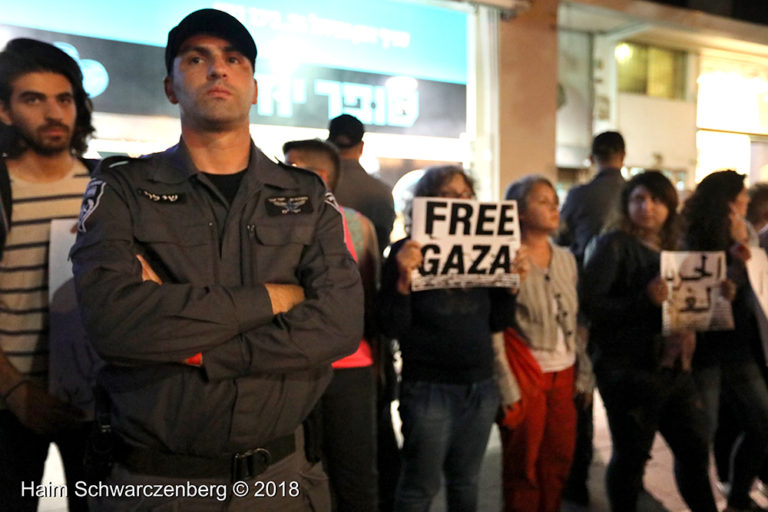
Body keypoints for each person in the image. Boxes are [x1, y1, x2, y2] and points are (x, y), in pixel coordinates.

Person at [70, 9, 362, 511]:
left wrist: (206, 351)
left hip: (282, 479)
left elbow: (339, 324)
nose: (218, 69)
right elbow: (113, 323)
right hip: (156, 486)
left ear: (254, 87)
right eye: (197, 58)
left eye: (234, 59)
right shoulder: (123, 188)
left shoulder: (306, 194)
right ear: (170, 86)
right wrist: (275, 297)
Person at [378, 165, 522, 512]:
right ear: (428, 204)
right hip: (428, 387)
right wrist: (401, 282)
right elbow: (391, 327)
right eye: (447, 196)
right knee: (419, 487)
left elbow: (499, 321)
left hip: (480, 385)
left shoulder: (487, 252)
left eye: (464, 196)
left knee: (466, 481)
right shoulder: (404, 252)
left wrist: (511, 283)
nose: (458, 203)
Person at [580, 171, 717, 512]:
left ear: (670, 206)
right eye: (638, 199)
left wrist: (720, 296)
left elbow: (690, 308)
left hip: (673, 368)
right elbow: (591, 306)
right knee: (631, 456)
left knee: (693, 449)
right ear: (626, 205)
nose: (647, 208)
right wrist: (644, 301)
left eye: (656, 200)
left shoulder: (676, 248)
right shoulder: (613, 244)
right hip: (629, 371)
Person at [0, 38, 97, 512]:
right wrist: (15, 392)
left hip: (95, 404)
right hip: (11, 404)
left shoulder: (107, 192)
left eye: (64, 99)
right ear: (4, 111)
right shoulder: (4, 191)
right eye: (32, 99)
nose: (54, 112)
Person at [283, 138, 379, 512]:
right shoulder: (354, 223)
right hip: (307, 363)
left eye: (289, 166)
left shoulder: (350, 224)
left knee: (344, 474)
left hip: (338, 367)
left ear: (317, 176)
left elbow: (365, 299)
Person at [500, 175, 590, 512]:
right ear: (519, 212)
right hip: (526, 370)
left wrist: (585, 369)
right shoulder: (505, 256)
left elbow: (577, 318)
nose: (554, 206)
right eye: (542, 200)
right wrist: (505, 382)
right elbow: (496, 326)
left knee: (558, 459)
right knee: (523, 463)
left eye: (555, 199)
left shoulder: (566, 257)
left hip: (564, 370)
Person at [682, 170, 768, 512]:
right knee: (701, 433)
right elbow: (689, 290)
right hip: (702, 346)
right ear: (724, 202)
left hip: (738, 343)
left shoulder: (746, 233)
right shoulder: (690, 236)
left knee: (762, 422)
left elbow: (751, 288)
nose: (746, 202)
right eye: (739, 198)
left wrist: (742, 263)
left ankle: (737, 496)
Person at [557, 130, 627, 505]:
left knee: (580, 394)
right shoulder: (634, 193)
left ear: (592, 156)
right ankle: (625, 470)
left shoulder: (579, 195)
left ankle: (577, 480)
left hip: (582, 300)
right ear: (622, 154)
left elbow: (562, 236)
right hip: (625, 308)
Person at [327, 113, 395, 254]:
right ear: (361, 147)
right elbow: (381, 244)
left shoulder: (314, 186)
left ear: (328, 143)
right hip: (363, 274)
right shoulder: (381, 192)